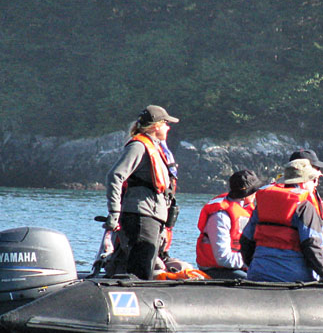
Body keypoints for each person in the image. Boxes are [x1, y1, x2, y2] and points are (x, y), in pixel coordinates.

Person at [104, 105, 181, 280]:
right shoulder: (139, 146)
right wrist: (115, 211)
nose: (168, 127)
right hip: (141, 214)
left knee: (147, 264)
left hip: (152, 215)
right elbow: (115, 175)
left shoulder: (157, 148)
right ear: (156, 126)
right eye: (166, 123)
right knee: (141, 268)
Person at [240, 159, 323, 283]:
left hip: (258, 273)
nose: (315, 184)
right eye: (313, 180)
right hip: (293, 278)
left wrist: (255, 264)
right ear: (304, 182)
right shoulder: (304, 206)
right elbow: (313, 247)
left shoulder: (264, 204)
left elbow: (246, 240)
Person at [195, 170, 261, 279]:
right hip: (216, 269)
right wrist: (253, 261)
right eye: (254, 191)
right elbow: (223, 258)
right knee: (254, 281)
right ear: (245, 194)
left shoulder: (245, 209)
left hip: (239, 265)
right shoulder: (220, 216)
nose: (256, 194)